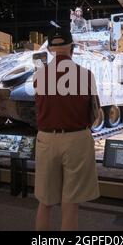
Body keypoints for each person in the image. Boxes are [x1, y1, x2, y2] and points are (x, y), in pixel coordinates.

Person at [33, 28, 100, 231]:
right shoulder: (86, 75)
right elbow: (95, 113)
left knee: (45, 201)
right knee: (70, 203)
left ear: (51, 49)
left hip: (46, 139)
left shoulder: (39, 76)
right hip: (76, 140)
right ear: (72, 47)